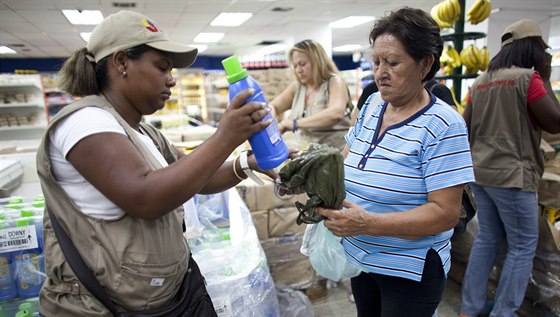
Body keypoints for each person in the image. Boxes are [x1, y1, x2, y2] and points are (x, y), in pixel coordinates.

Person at [35, 10, 283, 316]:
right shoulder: (85, 122)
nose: (172, 81)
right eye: (162, 67)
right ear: (122, 62)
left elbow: (198, 178)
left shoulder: (142, 130)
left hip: (162, 299)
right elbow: (146, 197)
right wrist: (225, 137)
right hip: (102, 307)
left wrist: (248, 163)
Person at [315, 7, 475, 316]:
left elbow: (445, 213)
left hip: (408, 270)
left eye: (392, 62)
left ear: (424, 64)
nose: (380, 72)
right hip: (361, 257)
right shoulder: (374, 104)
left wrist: (369, 223)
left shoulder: (444, 125)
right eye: (376, 62)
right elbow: (345, 161)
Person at [459, 19, 560, 317]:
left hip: (480, 173)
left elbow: (463, 127)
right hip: (514, 177)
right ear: (534, 49)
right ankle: (503, 313)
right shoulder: (529, 79)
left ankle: (469, 308)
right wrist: (546, 76)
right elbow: (554, 121)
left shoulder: (480, 82)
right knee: (522, 245)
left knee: (488, 238)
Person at [270, 39, 354, 151]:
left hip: (334, 156)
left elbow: (335, 113)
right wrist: (271, 119)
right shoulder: (297, 87)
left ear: (317, 61)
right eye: (295, 66)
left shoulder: (335, 83)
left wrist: (295, 123)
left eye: (303, 64)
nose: (299, 70)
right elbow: (273, 106)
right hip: (308, 156)